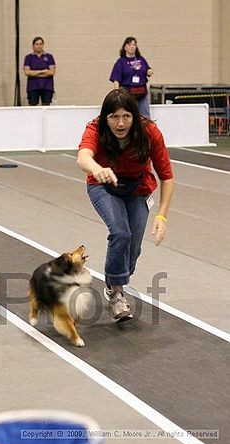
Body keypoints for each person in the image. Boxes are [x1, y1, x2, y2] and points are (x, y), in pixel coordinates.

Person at [77, 88, 174, 322]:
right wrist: (97, 169)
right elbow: (83, 157)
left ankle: (118, 279)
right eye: (114, 117)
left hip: (137, 188)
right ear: (105, 117)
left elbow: (167, 177)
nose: (120, 123)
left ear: (134, 115)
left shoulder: (150, 132)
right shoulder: (95, 128)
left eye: (126, 117)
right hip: (103, 186)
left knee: (134, 247)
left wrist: (162, 216)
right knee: (121, 232)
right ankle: (116, 291)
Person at [110, 37, 153, 118]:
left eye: (134, 45)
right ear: (125, 47)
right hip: (128, 93)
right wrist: (116, 92)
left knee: (145, 117)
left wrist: (150, 71)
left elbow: (148, 70)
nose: (132, 46)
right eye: (129, 45)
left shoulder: (141, 59)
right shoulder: (121, 62)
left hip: (142, 93)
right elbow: (116, 79)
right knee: (130, 115)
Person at [23, 36, 56, 106]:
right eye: (37, 44)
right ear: (33, 46)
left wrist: (34, 73)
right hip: (33, 86)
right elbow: (27, 72)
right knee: (33, 107)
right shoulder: (28, 57)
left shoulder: (49, 57)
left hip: (47, 86)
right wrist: (43, 71)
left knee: (46, 107)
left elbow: (51, 72)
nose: (39, 46)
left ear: (43, 45)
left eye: (41, 44)